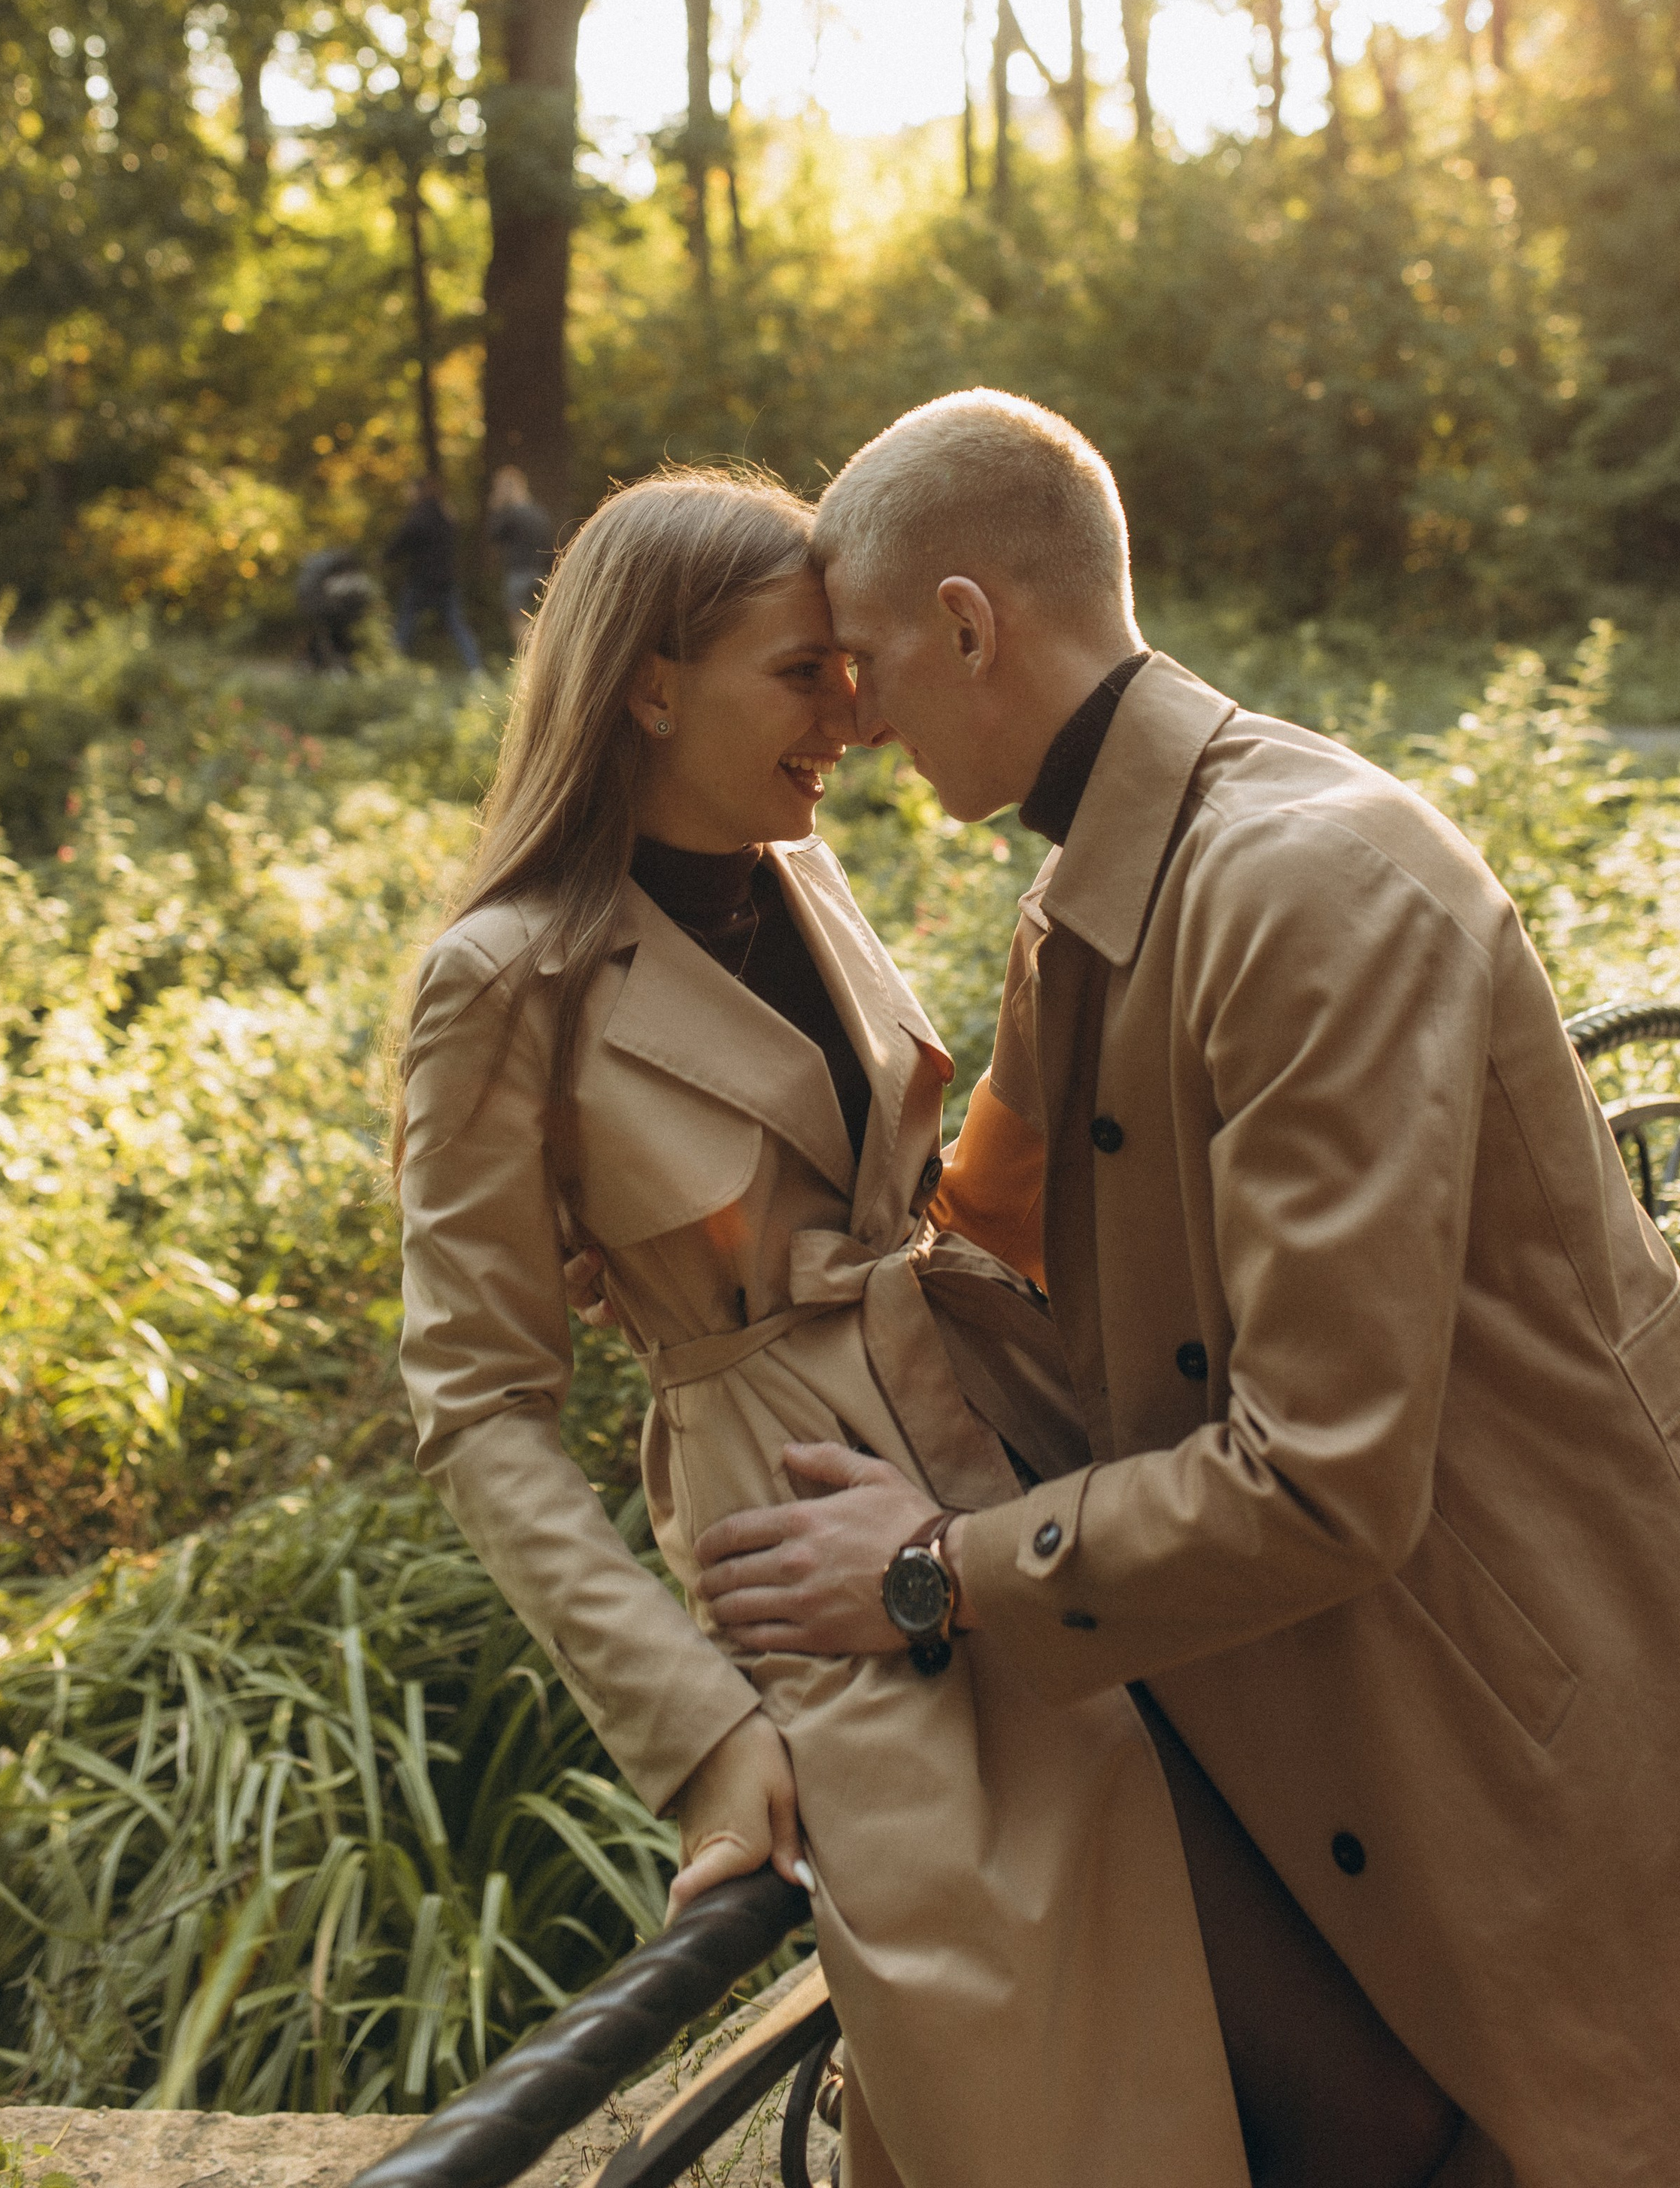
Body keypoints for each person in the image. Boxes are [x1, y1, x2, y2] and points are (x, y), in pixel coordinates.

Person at [692, 390, 1680, 2188]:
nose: (851, 715)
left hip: (1560, 1742)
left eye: (866, 660)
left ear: (969, 625)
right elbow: (971, 1254)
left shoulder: (1308, 890)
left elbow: (1321, 1475)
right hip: (1386, 1711)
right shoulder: (1097, 894)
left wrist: (923, 1571)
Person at [396, 470, 1260, 2188]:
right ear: (649, 682)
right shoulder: (502, 978)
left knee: (1209, 2008)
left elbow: (923, 1183)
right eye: (804, 671)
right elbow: (477, 1402)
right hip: (806, 1569)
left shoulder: (796, 865)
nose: (855, 714)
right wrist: (699, 1732)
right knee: (1017, 2097)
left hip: (1000, 1478)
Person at [385, 474, 482, 674]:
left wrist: (385, 557)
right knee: (457, 625)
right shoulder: (446, 514)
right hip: (446, 579)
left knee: (405, 623)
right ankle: (476, 669)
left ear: (417, 491)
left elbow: (399, 544)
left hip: (422, 580)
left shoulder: (418, 516)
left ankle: (392, 667)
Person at [486, 464, 557, 654]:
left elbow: (492, 535)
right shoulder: (539, 513)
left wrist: (496, 508)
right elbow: (550, 544)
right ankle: (544, 653)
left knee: (515, 617)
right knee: (539, 618)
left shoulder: (509, 514)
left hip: (518, 574)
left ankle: (529, 657)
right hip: (541, 572)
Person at [293, 544, 375, 672]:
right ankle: (329, 663)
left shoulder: (324, 565)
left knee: (329, 634)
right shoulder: (333, 570)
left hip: (316, 607)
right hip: (322, 608)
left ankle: (317, 662)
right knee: (331, 634)